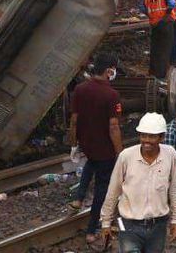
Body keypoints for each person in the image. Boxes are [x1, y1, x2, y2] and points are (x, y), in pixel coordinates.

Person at [99, 112, 176, 252]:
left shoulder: (170, 154)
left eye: (152, 136)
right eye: (143, 135)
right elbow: (113, 190)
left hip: (158, 225)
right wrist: (106, 222)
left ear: (161, 137)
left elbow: (175, 188)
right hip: (127, 224)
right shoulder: (126, 156)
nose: (146, 140)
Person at [69, 53, 123, 245]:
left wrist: (74, 142)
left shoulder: (80, 89)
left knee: (90, 163)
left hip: (87, 144)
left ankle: (78, 197)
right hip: (105, 149)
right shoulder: (111, 95)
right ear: (109, 70)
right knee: (102, 190)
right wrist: (119, 151)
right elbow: (113, 126)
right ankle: (91, 230)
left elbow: (74, 120)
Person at [143, 0, 176, 79]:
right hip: (165, 23)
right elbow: (172, 3)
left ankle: (152, 71)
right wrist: (167, 12)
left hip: (154, 23)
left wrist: (150, 14)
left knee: (155, 48)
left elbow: (141, 6)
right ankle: (161, 75)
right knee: (165, 48)